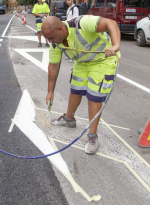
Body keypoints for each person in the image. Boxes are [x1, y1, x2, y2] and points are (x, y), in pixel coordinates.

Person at [42, 15, 121, 155]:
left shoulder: (81, 23)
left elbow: (111, 23)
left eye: (51, 38)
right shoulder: (56, 43)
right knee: (76, 89)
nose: (49, 42)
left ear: (60, 29)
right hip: (83, 62)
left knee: (94, 96)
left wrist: (115, 45)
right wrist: (50, 91)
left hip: (103, 60)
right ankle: (69, 119)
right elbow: (53, 67)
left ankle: (92, 137)